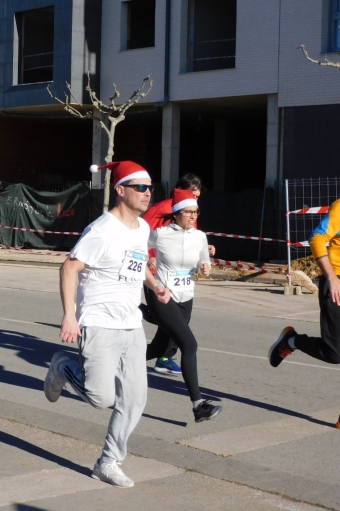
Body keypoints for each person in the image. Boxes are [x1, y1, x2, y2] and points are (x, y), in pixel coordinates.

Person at [44, 160, 171, 488]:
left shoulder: (142, 228)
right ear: (120, 190)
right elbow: (69, 269)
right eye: (140, 187)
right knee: (100, 397)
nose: (147, 193)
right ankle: (61, 368)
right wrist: (70, 314)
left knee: (135, 398)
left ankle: (109, 460)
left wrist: (154, 284)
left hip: (131, 324)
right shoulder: (101, 230)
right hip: (99, 323)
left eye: (149, 187)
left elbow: (138, 262)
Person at [270, 152, 340, 434]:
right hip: (339, 282)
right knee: (335, 354)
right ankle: (292, 340)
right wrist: (331, 278)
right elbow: (318, 237)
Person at [145, 188, 222, 422]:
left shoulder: (200, 236)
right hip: (162, 294)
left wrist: (205, 269)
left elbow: (203, 264)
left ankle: (116, 363)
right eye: (188, 212)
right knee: (190, 345)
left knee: (159, 348)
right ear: (176, 213)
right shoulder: (159, 234)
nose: (192, 216)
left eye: (195, 212)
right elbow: (136, 247)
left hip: (186, 296)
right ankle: (198, 405)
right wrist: (148, 257)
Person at [141, 174, 215, 376]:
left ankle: (162, 356)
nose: (195, 202)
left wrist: (203, 251)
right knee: (171, 322)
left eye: (198, 197)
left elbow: (187, 240)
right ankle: (136, 309)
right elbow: (140, 235)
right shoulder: (164, 209)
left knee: (177, 322)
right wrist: (150, 255)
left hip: (183, 282)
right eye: (192, 195)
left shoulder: (190, 213)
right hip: (157, 275)